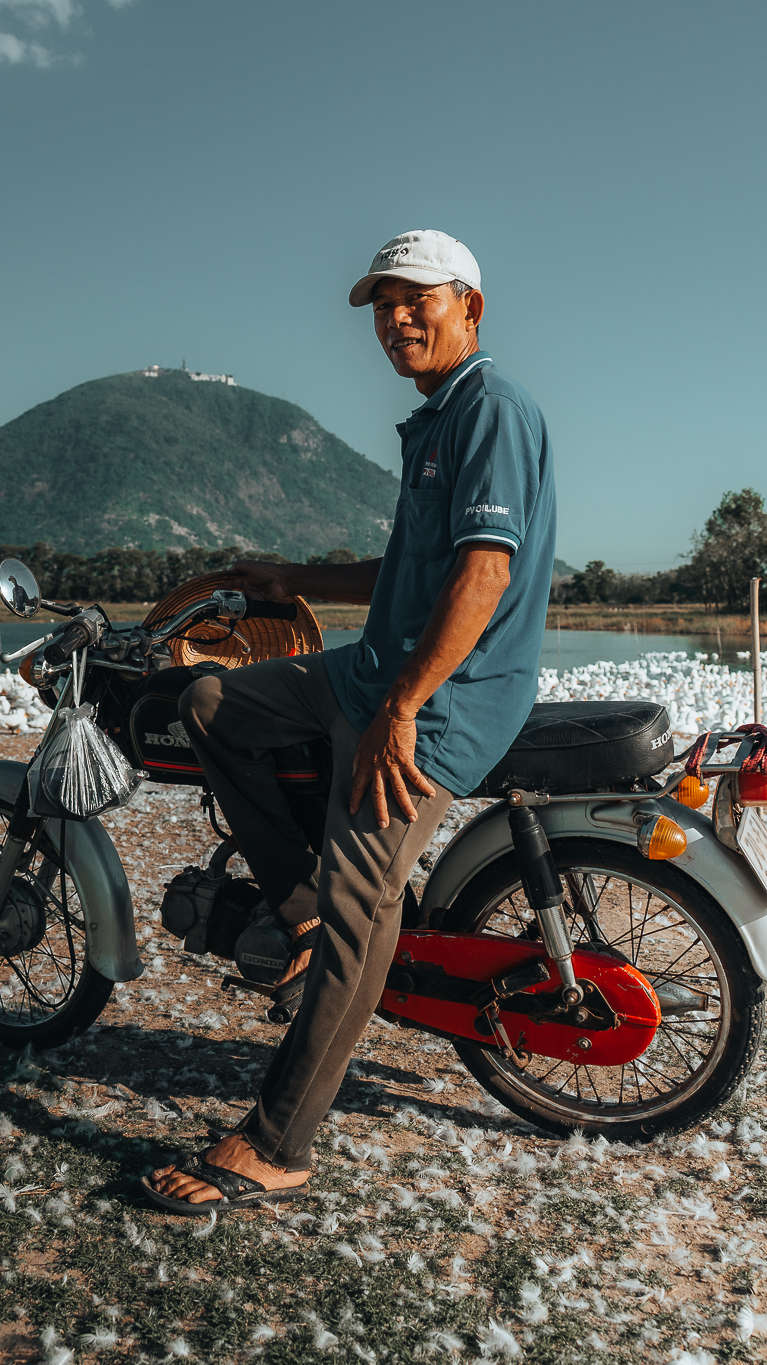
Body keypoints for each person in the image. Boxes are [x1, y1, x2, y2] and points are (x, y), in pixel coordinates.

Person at [143, 230, 557, 1212]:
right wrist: (293, 580)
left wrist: (403, 710)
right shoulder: (436, 421)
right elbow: (404, 575)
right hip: (368, 672)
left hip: (444, 699)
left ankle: (280, 1141)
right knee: (205, 702)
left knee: (359, 909)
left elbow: (482, 573)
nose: (395, 318)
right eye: (382, 304)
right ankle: (292, 913)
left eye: (416, 298)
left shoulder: (489, 411)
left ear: (471, 308)